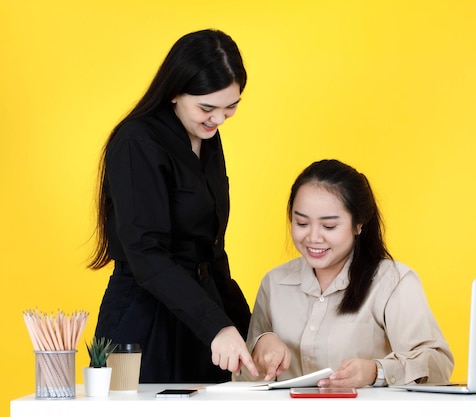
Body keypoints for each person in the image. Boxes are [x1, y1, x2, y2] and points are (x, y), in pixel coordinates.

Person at [88, 29, 259, 383]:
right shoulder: (137, 141)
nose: (219, 119)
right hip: (144, 316)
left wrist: (247, 330)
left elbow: (212, 251)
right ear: (175, 92)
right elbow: (147, 256)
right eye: (207, 108)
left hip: (201, 312)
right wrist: (216, 326)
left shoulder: (207, 137)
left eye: (232, 107)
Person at [241, 159, 454, 388]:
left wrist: (376, 372)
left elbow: (439, 365)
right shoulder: (275, 283)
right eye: (301, 223)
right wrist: (260, 346)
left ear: (358, 224)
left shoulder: (393, 282)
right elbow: (244, 379)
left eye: (329, 226)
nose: (313, 237)